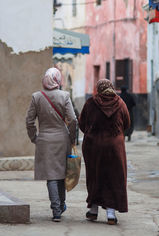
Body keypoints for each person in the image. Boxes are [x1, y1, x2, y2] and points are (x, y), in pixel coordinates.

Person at [26, 67, 77, 222]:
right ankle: (61, 205)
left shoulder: (36, 97)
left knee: (51, 176)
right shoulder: (64, 96)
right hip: (62, 139)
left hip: (45, 140)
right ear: (58, 80)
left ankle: (56, 210)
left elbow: (29, 121)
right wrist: (72, 138)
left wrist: (34, 137)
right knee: (61, 173)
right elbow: (73, 119)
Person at [79, 79, 130, 225]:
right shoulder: (120, 103)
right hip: (115, 147)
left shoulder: (90, 103)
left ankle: (93, 211)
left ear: (98, 89)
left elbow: (82, 123)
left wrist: (93, 133)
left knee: (95, 176)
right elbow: (127, 123)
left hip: (93, 147)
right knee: (114, 177)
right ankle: (111, 214)